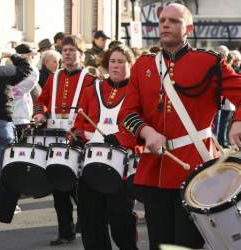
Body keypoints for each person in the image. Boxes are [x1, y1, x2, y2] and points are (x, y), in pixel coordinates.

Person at [117, 3, 241, 250]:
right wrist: (147, 131)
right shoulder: (143, 66)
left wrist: (238, 121)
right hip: (155, 171)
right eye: (162, 20)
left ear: (189, 28)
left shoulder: (209, 62)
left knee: (188, 245)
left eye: (173, 21)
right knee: (159, 244)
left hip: (197, 171)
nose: (165, 24)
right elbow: (126, 114)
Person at [71, 44, 138, 250]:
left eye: (121, 62)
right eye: (112, 62)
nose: (116, 66)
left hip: (123, 168)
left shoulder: (137, 92)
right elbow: (78, 125)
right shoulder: (92, 90)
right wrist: (78, 137)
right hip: (91, 165)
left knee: (120, 221)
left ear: (130, 64)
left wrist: (121, 138)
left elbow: (143, 125)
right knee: (91, 220)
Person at [33, 35, 95, 246]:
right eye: (64, 49)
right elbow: (41, 100)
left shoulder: (90, 79)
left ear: (81, 53)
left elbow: (93, 111)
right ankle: (65, 232)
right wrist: (40, 114)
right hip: (54, 138)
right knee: (59, 186)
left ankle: (90, 226)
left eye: (71, 49)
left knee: (80, 187)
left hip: (78, 139)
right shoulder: (54, 77)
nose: (67, 53)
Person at [0, 44, 32, 170]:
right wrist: (12, 55)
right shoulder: (3, 71)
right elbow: (26, 68)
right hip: (1, 123)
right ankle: (7, 189)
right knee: (7, 167)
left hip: (1, 122)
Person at [12, 43, 40, 141]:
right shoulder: (11, 69)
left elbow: (18, 89)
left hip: (21, 116)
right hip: (11, 117)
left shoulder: (31, 71)